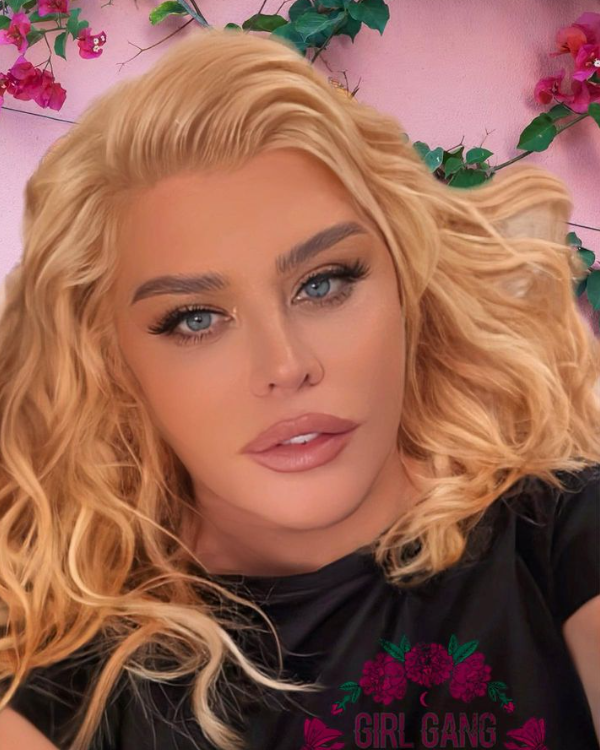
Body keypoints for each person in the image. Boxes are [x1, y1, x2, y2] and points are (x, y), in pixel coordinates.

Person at [0, 26, 599, 750]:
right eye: (195, 319)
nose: (285, 365)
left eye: (323, 283)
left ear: (407, 282)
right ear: (111, 360)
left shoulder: (564, 535)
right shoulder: (60, 683)